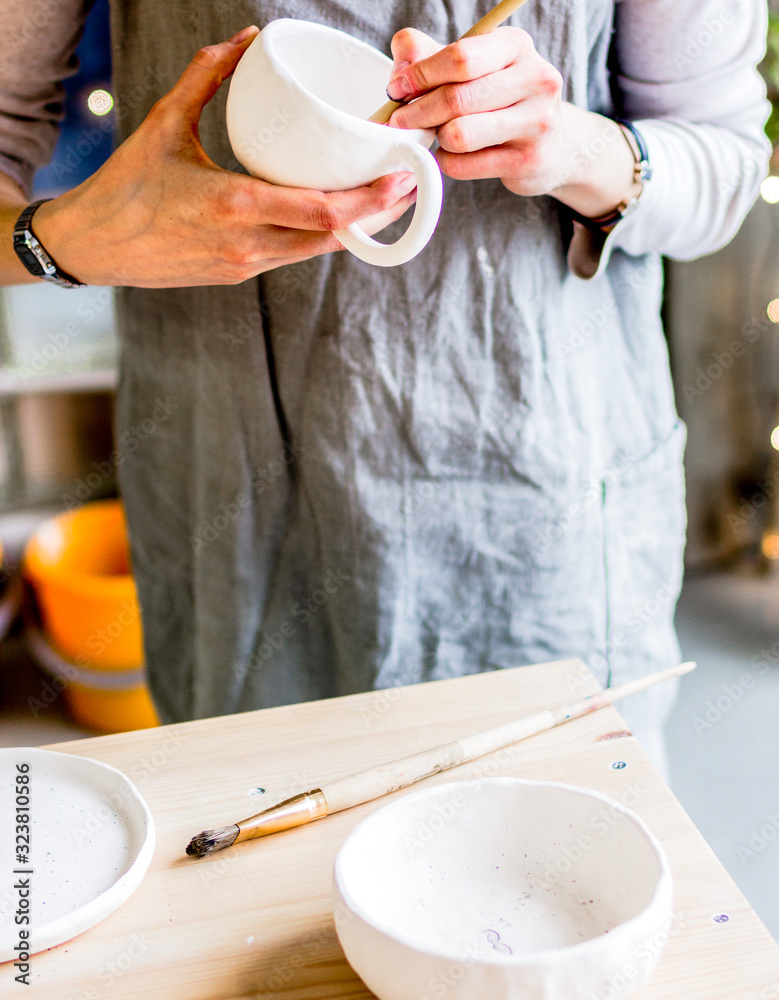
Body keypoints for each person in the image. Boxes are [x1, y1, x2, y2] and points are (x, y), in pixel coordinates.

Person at [0, 1, 770, 771]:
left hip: (546, 520)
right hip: (234, 514)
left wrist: (572, 148)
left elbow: (723, 167)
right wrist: (58, 239)